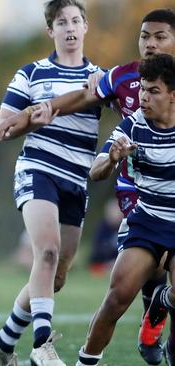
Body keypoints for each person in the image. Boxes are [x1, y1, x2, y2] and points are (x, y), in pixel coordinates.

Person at [0, 8, 175, 364]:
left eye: (160, 37)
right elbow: (80, 98)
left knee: (63, 269)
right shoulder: (122, 79)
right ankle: (137, 322)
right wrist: (38, 111)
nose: (150, 44)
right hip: (138, 191)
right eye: (145, 37)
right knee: (132, 280)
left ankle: (160, 313)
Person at [0, 1, 103, 365]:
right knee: (46, 252)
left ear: (85, 27)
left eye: (75, 21)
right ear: (51, 31)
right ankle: (42, 346)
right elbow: (1, 130)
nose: (69, 27)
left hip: (76, 181)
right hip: (38, 170)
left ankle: (3, 341)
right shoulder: (31, 74)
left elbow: (135, 109)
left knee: (57, 275)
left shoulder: (100, 77)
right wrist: (38, 118)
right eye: (61, 22)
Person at [73, 53, 175, 366]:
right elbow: (96, 171)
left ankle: (161, 300)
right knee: (118, 297)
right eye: (142, 89)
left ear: (173, 95)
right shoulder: (132, 125)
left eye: (153, 91)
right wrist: (113, 158)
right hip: (147, 221)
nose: (143, 97)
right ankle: (85, 362)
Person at [88, 198, 122, 277]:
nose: (114, 214)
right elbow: (97, 246)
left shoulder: (125, 226)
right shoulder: (103, 226)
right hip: (105, 260)